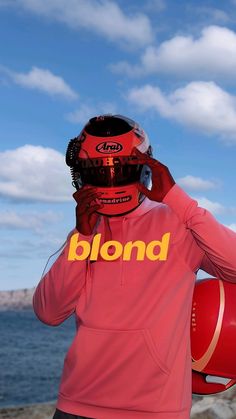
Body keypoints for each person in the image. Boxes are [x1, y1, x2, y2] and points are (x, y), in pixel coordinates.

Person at [32, 114, 236, 419]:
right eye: (100, 173)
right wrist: (82, 238)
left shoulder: (178, 222)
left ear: (144, 167)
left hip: (156, 408)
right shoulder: (86, 231)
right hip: (78, 402)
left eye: (120, 171)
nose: (111, 180)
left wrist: (178, 200)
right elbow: (48, 312)